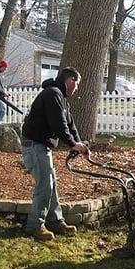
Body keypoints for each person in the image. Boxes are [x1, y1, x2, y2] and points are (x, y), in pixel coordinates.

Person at [21, 67, 90, 241]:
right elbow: (58, 125)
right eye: (77, 84)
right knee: (45, 185)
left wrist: (80, 145)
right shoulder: (53, 94)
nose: (77, 89)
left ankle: (56, 221)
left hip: (42, 146)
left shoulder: (60, 97)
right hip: (34, 145)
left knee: (51, 184)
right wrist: (73, 144)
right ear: (71, 80)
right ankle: (34, 226)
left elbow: (70, 124)